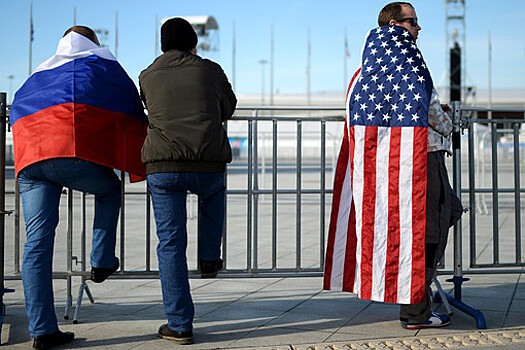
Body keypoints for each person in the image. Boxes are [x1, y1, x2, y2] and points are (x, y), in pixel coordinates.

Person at [9, 26, 147, 349]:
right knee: (110, 189)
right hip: (69, 153)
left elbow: (18, 107)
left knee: (37, 245)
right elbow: (128, 105)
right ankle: (101, 260)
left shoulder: (40, 72)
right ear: (93, 43)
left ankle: (42, 330)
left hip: (31, 160)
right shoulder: (100, 65)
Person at [139, 17, 237, 345]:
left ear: (163, 45)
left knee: (170, 243)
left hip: (163, 166)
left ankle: (179, 324)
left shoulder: (147, 75)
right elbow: (229, 107)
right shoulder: (210, 69)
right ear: (193, 43)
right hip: (208, 161)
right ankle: (209, 257)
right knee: (213, 196)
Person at [377, 2, 462, 329]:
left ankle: (414, 297)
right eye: (413, 22)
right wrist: (449, 123)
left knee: (436, 218)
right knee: (433, 226)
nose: (418, 28)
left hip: (401, 158)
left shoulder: (376, 62)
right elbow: (428, 110)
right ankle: (415, 308)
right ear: (397, 25)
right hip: (425, 156)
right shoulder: (409, 61)